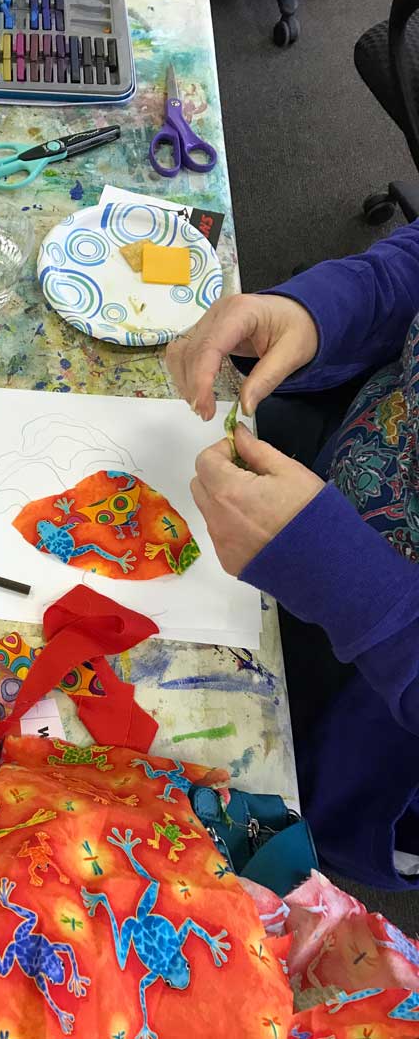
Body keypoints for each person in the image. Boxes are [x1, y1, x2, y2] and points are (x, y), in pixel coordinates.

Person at [166, 224, 419, 891]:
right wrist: (312, 315)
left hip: (377, 733)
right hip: (325, 484)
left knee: (255, 823)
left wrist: (349, 582)